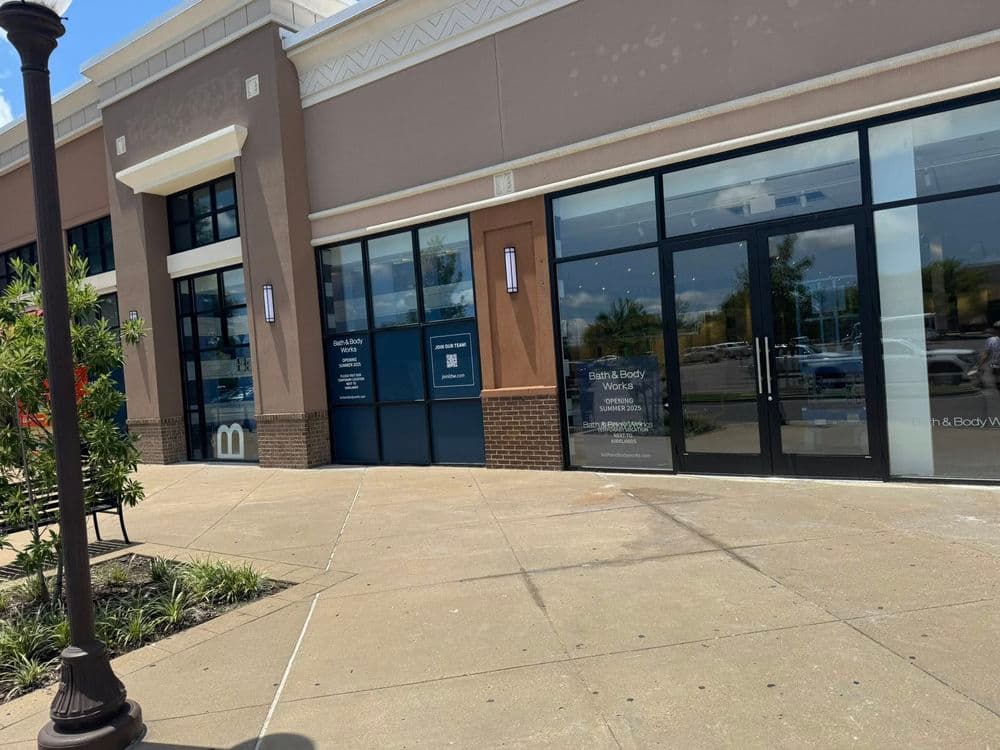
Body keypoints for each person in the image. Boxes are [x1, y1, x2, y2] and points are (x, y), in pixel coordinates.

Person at [979, 321, 1000, 392]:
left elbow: (986, 354)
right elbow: (986, 354)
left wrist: (981, 364)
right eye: (997, 328)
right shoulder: (991, 340)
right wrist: (981, 364)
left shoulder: (991, 340)